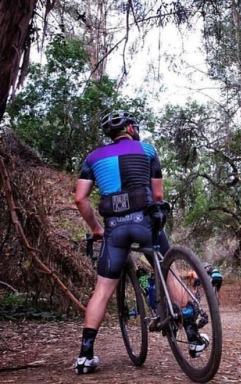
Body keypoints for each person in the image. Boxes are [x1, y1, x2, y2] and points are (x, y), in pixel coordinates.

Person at [73, 111, 207, 374]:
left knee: (102, 290)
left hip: (114, 229)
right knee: (168, 271)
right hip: (146, 225)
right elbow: (157, 195)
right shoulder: (147, 150)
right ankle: (192, 337)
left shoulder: (92, 158)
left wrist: (96, 228)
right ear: (131, 129)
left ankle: (85, 356)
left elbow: (80, 199)